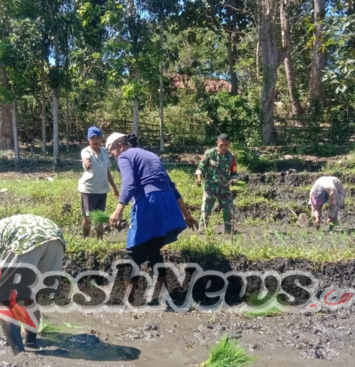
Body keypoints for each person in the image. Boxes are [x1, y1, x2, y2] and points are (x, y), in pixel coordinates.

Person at [105, 133, 198, 299]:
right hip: (167, 201)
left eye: (111, 151)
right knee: (153, 247)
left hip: (149, 202)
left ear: (119, 146)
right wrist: (185, 213)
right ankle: (163, 294)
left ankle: (128, 301)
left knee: (133, 252)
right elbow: (172, 186)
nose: (112, 156)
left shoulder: (124, 156)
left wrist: (118, 209)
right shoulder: (150, 155)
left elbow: (129, 184)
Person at [0, 214, 65, 354]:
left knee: (1, 302)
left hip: (26, 240)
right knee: (29, 297)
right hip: (55, 237)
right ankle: (31, 342)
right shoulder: (2, 229)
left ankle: (19, 353)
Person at [78, 126, 119, 239]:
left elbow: (107, 171)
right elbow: (85, 159)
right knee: (88, 217)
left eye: (97, 138)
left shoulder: (104, 151)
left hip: (102, 189)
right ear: (89, 140)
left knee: (100, 217)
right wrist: (87, 163)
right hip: (89, 190)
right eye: (92, 138)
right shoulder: (86, 151)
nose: (95, 140)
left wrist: (114, 188)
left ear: (101, 139)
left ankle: (99, 240)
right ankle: (85, 239)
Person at [196, 133, 239, 234]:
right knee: (206, 209)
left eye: (226, 145)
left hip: (224, 188)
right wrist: (199, 178)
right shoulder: (209, 153)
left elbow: (234, 172)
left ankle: (229, 231)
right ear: (217, 143)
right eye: (221, 145)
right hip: (210, 187)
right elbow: (201, 167)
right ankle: (203, 230)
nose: (224, 147)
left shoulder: (231, 157)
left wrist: (234, 180)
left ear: (229, 144)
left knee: (229, 208)